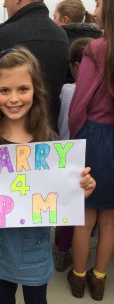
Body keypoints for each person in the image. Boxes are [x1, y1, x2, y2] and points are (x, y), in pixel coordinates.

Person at [0, 47, 96, 304]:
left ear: (35, 90)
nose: (14, 98)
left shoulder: (49, 142)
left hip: (34, 242)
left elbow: (63, 199)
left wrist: (81, 189)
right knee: (3, 295)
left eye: (22, 89)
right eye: (5, 90)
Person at [67, 0, 114, 301]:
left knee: (85, 215)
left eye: (98, 3)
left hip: (94, 136)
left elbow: (79, 103)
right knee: (110, 218)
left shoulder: (97, 48)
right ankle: (100, 280)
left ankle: (79, 277)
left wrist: (74, 138)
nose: (95, 9)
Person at [0, 0, 69, 132]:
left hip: (4, 134)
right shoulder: (62, 35)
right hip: (49, 131)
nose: (4, 4)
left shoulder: (1, 36)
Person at [54, 37, 94, 272]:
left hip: (63, 150)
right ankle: (64, 248)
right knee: (75, 206)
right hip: (84, 154)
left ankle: (61, 249)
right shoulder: (98, 94)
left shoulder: (67, 90)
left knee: (63, 204)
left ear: (77, 65)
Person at [53, 0, 102, 83]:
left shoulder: (59, 44)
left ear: (65, 20)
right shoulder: (100, 39)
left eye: (55, 18)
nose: (53, 22)